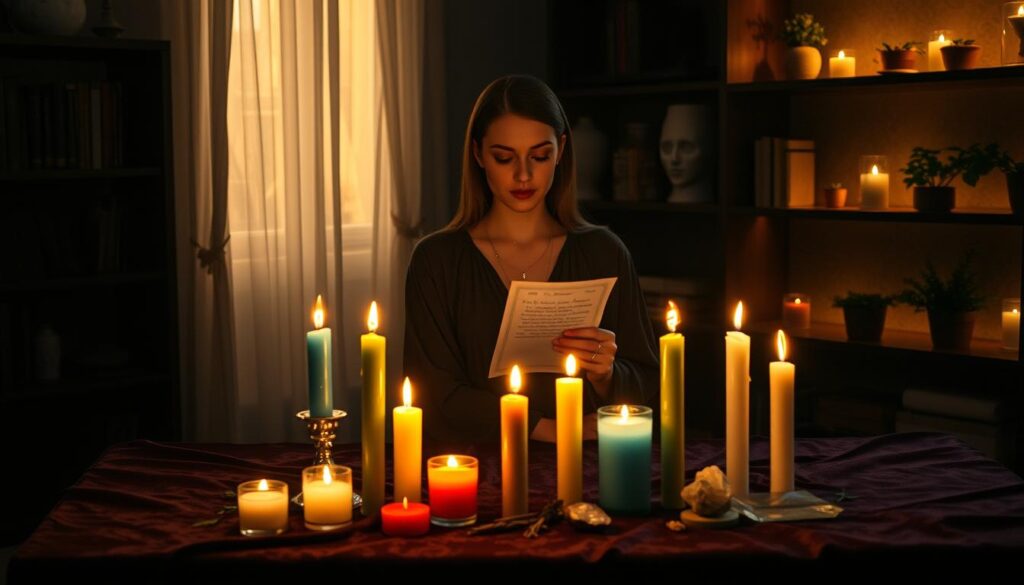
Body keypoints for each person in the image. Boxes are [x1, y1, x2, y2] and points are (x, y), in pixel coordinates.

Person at [403, 74, 659, 451]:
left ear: (561, 151)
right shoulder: (437, 260)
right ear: (478, 155)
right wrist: (549, 429)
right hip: (477, 469)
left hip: (591, 466)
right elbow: (434, 394)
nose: (523, 174)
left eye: (540, 156)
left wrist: (606, 374)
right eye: (504, 157)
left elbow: (648, 385)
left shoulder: (604, 253)